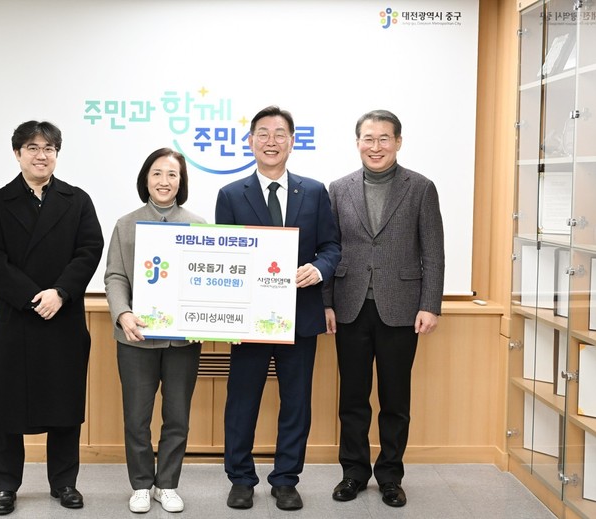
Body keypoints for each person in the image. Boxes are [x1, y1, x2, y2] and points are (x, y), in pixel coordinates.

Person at [0, 120, 104, 515]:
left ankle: (64, 483)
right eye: (32, 148)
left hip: (63, 318)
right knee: (5, 408)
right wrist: (33, 297)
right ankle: (5, 486)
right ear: (18, 154)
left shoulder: (77, 200)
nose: (41, 155)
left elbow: (89, 250)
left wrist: (60, 292)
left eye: (48, 148)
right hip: (15, 318)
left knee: (64, 406)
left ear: (57, 154)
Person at [215, 106, 341, 511]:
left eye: (280, 134)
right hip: (249, 318)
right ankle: (240, 479)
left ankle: (286, 480)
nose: (271, 141)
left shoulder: (314, 191)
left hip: (300, 315)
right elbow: (224, 256)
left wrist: (318, 270)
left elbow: (332, 246)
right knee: (242, 401)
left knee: (296, 403)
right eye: (263, 134)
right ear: (250, 141)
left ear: (292, 141)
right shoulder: (231, 194)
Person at [323, 109, 445, 508]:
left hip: (402, 309)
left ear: (398, 142)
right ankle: (353, 473)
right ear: (357, 142)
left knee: (395, 400)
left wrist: (430, 305)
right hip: (351, 306)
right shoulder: (338, 189)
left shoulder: (420, 187)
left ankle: (391, 476)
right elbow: (329, 249)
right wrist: (326, 303)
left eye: (383, 139)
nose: (375, 147)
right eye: (368, 139)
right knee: (353, 399)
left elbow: (433, 251)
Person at [104, 148, 206, 514]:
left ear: (182, 182)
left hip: (182, 341)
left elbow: (206, 282)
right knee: (137, 417)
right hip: (136, 338)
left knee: (177, 416)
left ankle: (167, 484)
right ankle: (141, 485)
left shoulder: (199, 226)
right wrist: (123, 314)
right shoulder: (126, 224)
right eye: (157, 173)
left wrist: (206, 318)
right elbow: (115, 276)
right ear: (146, 179)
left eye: (172, 175)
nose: (165, 181)